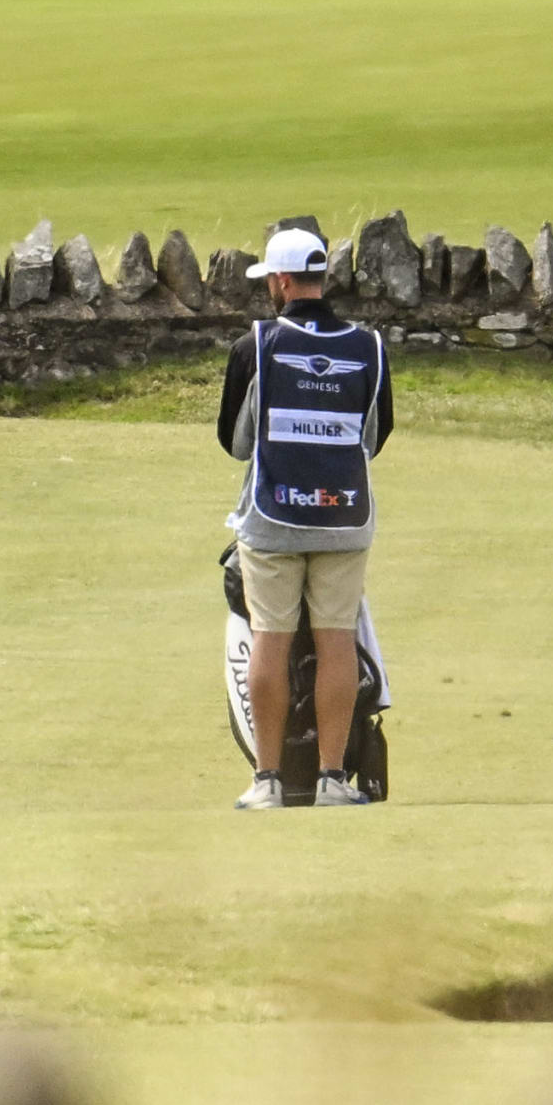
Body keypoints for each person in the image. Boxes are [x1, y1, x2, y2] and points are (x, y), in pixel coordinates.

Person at [216, 222, 391, 810]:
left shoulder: (256, 345)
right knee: (337, 641)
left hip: (271, 517)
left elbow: (235, 444)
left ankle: (267, 781)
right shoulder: (369, 347)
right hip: (345, 516)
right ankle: (333, 781)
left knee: (270, 637)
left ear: (283, 281)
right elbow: (374, 436)